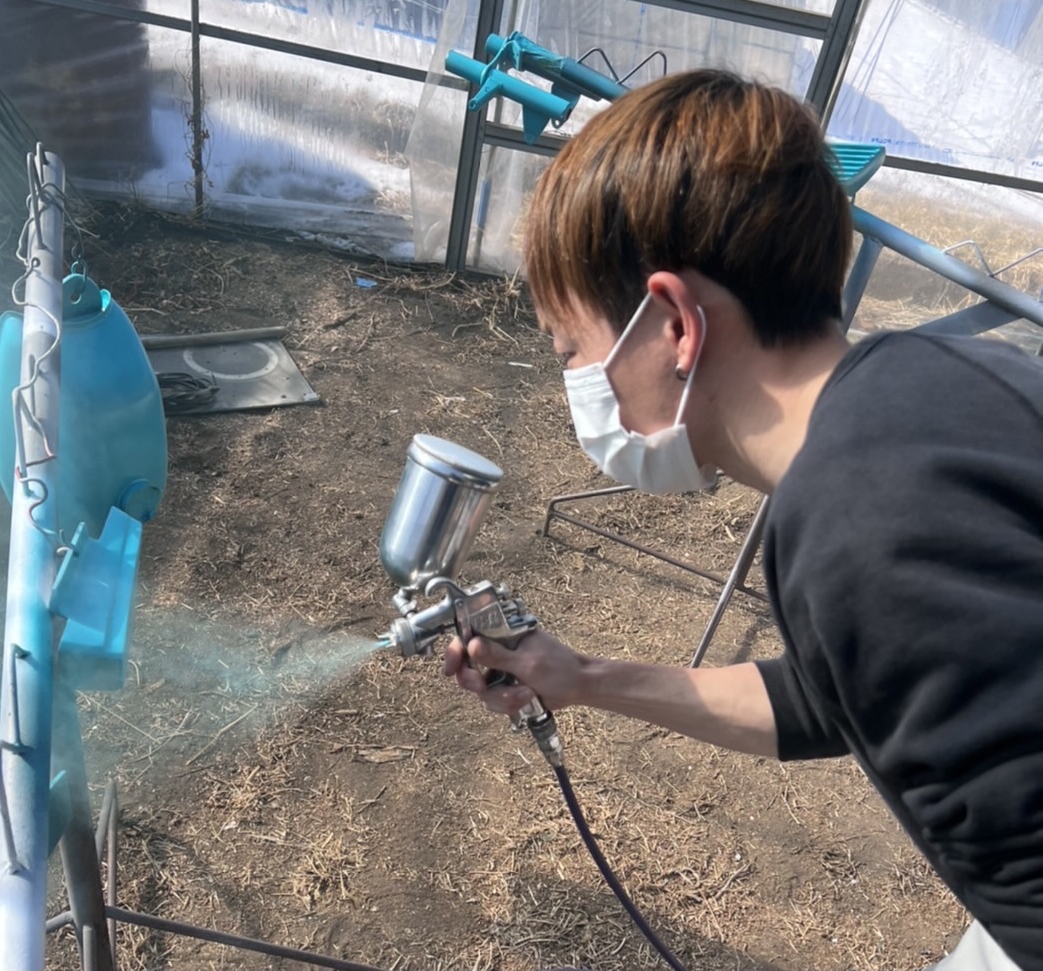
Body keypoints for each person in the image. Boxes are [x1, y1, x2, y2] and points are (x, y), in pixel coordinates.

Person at [441, 69, 1043, 971]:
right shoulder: (929, 380)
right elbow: (843, 691)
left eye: (572, 351)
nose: (578, 383)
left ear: (677, 323)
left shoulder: (860, 526)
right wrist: (582, 676)